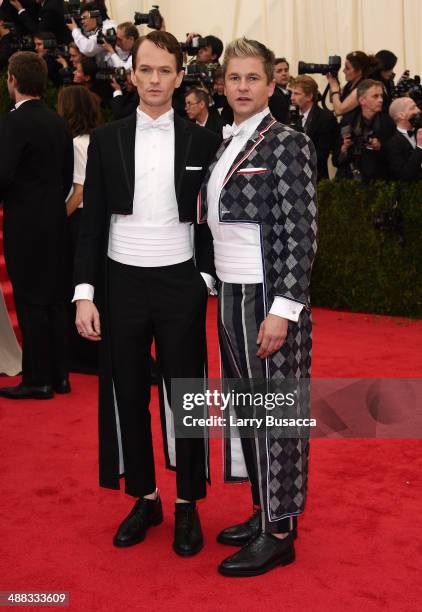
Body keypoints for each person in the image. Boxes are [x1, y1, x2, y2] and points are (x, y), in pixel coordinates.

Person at [73, 31, 220, 556]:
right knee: (126, 392)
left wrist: (204, 278)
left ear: (181, 77)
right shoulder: (105, 140)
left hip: (180, 282)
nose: (155, 80)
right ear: (131, 74)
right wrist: (86, 292)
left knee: (186, 396)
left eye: (165, 71)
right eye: (146, 70)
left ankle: (187, 503)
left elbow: (212, 222)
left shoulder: (205, 141)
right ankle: (146, 494)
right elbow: (91, 223)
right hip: (120, 283)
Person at [198, 37, 317, 577]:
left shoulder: (287, 142)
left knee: (278, 413)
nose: (242, 87)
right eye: (233, 78)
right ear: (223, 84)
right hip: (230, 292)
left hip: (266, 298)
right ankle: (261, 511)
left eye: (252, 78)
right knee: (249, 409)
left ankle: (280, 532)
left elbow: (301, 232)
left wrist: (284, 307)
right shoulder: (228, 142)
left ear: (271, 85)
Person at [0, 51, 73, 400]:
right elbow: (65, 177)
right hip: (57, 222)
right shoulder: (58, 121)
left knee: (30, 300)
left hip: (25, 225)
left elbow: (3, 175)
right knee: (56, 300)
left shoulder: (13, 123)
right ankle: (60, 376)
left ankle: (36, 380)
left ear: (12, 80)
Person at [57, 85, 101, 374]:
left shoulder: (76, 144)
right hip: (92, 220)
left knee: (76, 286)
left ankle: (84, 355)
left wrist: (57, 220)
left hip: (79, 221)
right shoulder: (95, 139)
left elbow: (80, 191)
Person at [333, 79, 395, 181]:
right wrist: (344, 149)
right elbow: (335, 161)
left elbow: (394, 158)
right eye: (375, 96)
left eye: (381, 96)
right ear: (362, 100)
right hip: (350, 182)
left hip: (379, 182)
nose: (381, 100)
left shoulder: (388, 123)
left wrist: (380, 147)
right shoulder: (348, 122)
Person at [290, 75, 338, 179]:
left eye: (296, 94)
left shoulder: (325, 118)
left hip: (316, 178)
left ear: (309, 96)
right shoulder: (291, 116)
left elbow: (322, 154)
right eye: (292, 93)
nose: (292, 98)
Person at [327, 51, 380, 117]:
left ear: (359, 71)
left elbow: (339, 110)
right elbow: (334, 101)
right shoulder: (349, 85)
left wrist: (334, 89)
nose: (343, 71)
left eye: (347, 68)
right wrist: (333, 83)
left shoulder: (362, 88)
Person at [386, 97, 422, 180]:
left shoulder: (419, 131)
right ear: (401, 115)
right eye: (413, 108)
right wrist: (420, 146)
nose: (418, 110)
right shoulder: (392, 144)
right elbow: (403, 176)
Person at [269, 57, 291, 123]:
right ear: (271, 75)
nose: (284, 73)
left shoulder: (290, 93)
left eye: (286, 70)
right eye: (279, 71)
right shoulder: (273, 95)